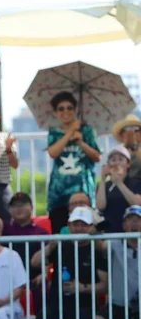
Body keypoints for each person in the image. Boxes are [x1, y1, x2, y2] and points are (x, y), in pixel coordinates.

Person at [46, 91, 101, 234]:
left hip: (82, 191)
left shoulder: (87, 130)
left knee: (86, 233)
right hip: (60, 193)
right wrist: (70, 132)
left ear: (75, 110)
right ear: (56, 112)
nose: (66, 112)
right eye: (61, 108)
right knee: (60, 233)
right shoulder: (54, 132)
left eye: (70, 108)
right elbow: (53, 152)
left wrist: (81, 141)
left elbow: (97, 157)